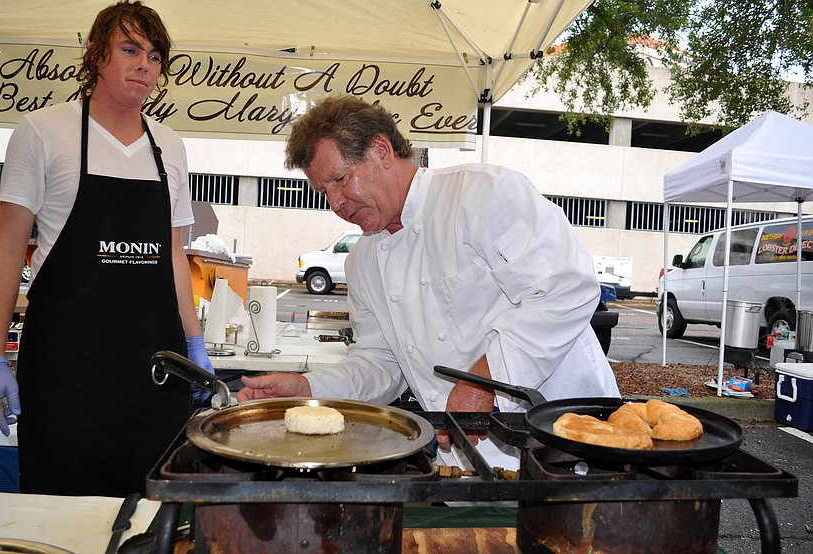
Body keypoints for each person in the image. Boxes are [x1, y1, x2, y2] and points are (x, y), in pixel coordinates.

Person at [237, 95, 619, 470]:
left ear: (381, 151)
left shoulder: (481, 195)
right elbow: (380, 364)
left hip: (574, 441)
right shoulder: (362, 262)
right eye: (325, 192)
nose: (336, 203)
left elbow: (568, 287)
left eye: (340, 179)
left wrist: (485, 381)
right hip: (467, 466)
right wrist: (311, 391)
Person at [0, 1, 215, 497]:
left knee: (149, 521)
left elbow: (174, 255)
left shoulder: (169, 145)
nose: (144, 65)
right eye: (129, 49)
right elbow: (3, 245)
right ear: (95, 54)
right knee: (58, 522)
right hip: (67, 376)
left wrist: (194, 344)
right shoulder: (43, 131)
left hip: (154, 375)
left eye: (154, 56)